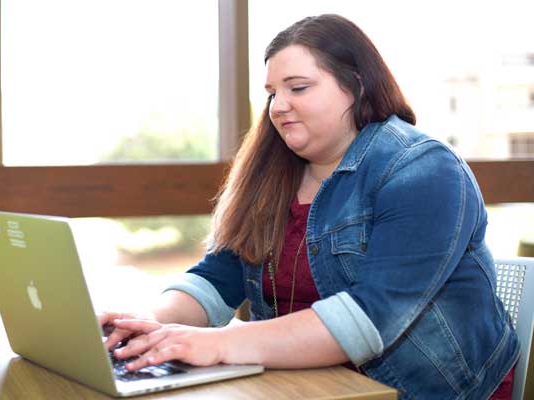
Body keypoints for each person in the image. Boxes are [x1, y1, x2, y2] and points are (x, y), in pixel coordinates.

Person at [100, 14, 519, 399]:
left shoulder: (423, 170)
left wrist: (216, 344)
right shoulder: (272, 175)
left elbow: (367, 320)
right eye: (271, 93)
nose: (278, 106)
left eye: (298, 88)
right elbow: (217, 277)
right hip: (304, 382)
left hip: (418, 390)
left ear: (355, 85)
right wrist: (146, 324)